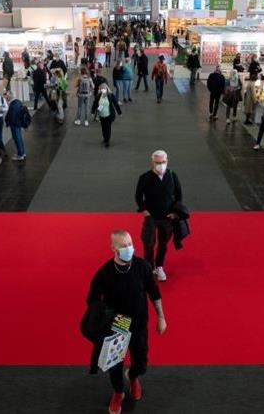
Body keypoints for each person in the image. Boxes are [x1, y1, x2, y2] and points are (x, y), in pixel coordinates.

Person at [86, 230, 166, 414]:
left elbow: (154, 292)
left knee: (141, 361)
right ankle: (118, 392)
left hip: (139, 323)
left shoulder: (143, 266)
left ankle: (133, 375)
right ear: (113, 248)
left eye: (130, 244)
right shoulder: (104, 273)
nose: (128, 248)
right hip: (118, 324)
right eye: (123, 246)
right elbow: (92, 299)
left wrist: (161, 316)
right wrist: (105, 316)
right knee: (115, 365)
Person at [135, 150, 182, 282]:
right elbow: (138, 197)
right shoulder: (144, 178)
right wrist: (144, 211)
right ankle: (149, 268)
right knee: (148, 243)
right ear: (152, 162)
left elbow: (179, 195)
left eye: (163, 162)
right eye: (157, 162)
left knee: (163, 244)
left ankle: (159, 266)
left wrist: (175, 212)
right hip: (151, 218)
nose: (160, 165)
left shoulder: (172, 176)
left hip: (167, 218)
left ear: (167, 161)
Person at [4, 90, 26, 161]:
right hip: (18, 123)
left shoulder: (13, 104)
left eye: (7, 95)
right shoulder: (18, 102)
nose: (6, 97)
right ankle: (22, 152)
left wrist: (8, 122)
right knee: (19, 138)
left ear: (10, 95)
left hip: (14, 124)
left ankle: (20, 155)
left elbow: (12, 116)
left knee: (17, 139)